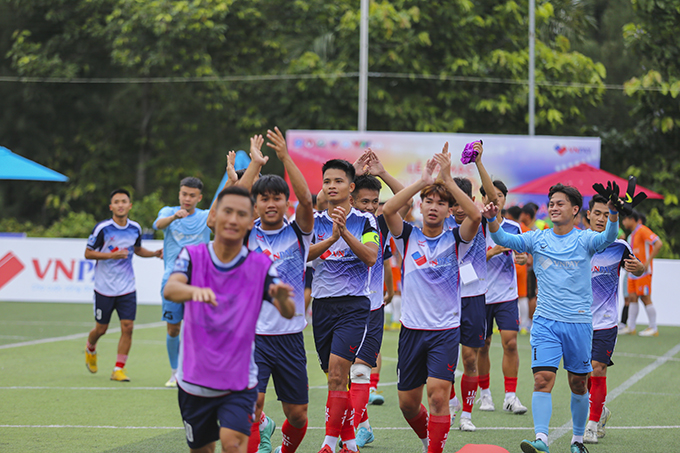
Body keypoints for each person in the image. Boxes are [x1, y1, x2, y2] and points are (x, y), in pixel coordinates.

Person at [482, 183, 620, 453]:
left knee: (579, 383)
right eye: (552, 203)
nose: (554, 208)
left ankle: (578, 440)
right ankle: (541, 440)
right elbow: (503, 239)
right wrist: (490, 219)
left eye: (560, 203)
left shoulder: (586, 239)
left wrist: (613, 214)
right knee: (542, 379)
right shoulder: (538, 238)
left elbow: (608, 238)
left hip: (579, 324)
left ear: (576, 209)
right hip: (545, 322)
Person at [164, 185, 295, 453]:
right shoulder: (192, 256)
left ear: (250, 221)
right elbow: (171, 288)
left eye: (241, 214)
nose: (233, 219)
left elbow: (289, 311)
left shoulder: (260, 265)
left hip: (239, 381)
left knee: (233, 445)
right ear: (214, 217)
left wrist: (282, 299)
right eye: (227, 212)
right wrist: (194, 290)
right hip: (194, 381)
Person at [383, 144, 481, 453]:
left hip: (445, 331)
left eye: (441, 203)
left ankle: (435, 450)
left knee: (438, 396)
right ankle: (430, 441)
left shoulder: (456, 240)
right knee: (408, 404)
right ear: (422, 205)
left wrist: (449, 180)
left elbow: (476, 216)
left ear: (449, 209)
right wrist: (423, 181)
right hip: (411, 331)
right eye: (429, 201)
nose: (434, 206)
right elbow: (388, 210)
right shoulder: (407, 236)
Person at [245, 127, 314, 453]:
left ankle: (284, 447)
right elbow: (229, 206)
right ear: (255, 203)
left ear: (285, 202)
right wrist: (255, 166)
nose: (271, 203)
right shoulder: (245, 234)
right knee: (252, 407)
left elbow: (307, 199)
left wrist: (285, 156)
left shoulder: (298, 233)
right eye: (264, 198)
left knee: (298, 415)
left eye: (277, 197)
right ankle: (260, 431)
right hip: (253, 337)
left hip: (289, 337)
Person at [308, 159, 379, 453]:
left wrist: (344, 234)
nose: (331, 186)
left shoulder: (365, 220)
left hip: (353, 306)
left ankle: (328, 443)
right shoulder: (312, 221)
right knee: (334, 377)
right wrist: (331, 239)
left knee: (338, 374)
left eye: (338, 181)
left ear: (350, 188)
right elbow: (302, 254)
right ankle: (349, 442)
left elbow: (371, 257)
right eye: (327, 182)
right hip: (322, 306)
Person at [347, 149, 410, 448]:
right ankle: (364, 426)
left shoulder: (383, 222)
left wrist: (383, 173)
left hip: (370, 308)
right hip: (338, 307)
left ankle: (350, 432)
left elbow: (407, 202)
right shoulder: (338, 219)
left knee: (359, 369)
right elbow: (318, 200)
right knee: (342, 373)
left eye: (375, 201)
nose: (371, 207)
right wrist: (353, 173)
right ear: (351, 199)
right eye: (365, 201)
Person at [444, 141, 496, 432]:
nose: (457, 207)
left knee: (469, 358)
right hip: (445, 300)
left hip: (475, 298)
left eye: (463, 200)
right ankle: (451, 401)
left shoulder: (481, 222)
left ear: (471, 199)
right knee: (445, 359)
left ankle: (466, 414)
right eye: (453, 201)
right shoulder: (438, 224)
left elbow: (494, 200)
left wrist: (478, 163)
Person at [84, 189, 162, 382]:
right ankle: (90, 347)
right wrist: (111, 255)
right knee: (101, 329)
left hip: (127, 287)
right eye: (116, 202)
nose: (120, 205)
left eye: (124, 201)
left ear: (130, 206)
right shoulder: (103, 228)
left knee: (128, 327)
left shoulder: (135, 228)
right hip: (104, 287)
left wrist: (153, 253)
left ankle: (119, 368)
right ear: (111, 207)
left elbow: (136, 250)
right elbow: (88, 253)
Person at [583, 195, 644, 444]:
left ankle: (592, 423)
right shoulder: (577, 242)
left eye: (607, 215)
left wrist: (638, 268)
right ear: (588, 214)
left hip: (606, 321)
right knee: (582, 374)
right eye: (598, 213)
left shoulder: (620, 245)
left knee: (598, 369)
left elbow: (638, 268)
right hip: (578, 320)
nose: (602, 219)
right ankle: (601, 410)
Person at [476, 180, 528, 416]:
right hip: (480, 295)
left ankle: (510, 396)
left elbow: (521, 255)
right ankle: (485, 393)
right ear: (482, 199)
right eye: (489, 195)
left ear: (505, 200)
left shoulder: (514, 227)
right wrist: (493, 251)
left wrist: (522, 259)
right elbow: (468, 262)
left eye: (499, 196)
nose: (494, 199)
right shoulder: (474, 226)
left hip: (506, 295)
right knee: (483, 346)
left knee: (511, 343)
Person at [154, 177, 212, 387]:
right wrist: (173, 218)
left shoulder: (206, 216)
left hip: (199, 283)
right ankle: (175, 373)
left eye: (192, 195)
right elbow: (158, 224)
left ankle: (197, 370)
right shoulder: (168, 211)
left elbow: (223, 207)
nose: (187, 199)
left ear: (199, 197)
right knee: (173, 329)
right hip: (172, 282)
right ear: (179, 194)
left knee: (198, 329)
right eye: (184, 194)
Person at [619, 210, 662, 336]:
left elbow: (658, 243)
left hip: (643, 271)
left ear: (632, 219)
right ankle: (631, 327)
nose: (623, 221)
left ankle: (653, 327)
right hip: (632, 272)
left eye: (625, 219)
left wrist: (648, 261)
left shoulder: (643, 230)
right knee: (632, 297)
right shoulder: (632, 235)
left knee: (645, 298)